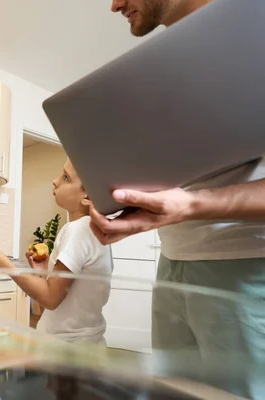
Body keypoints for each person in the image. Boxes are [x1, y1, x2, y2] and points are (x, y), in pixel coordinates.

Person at [88, 0, 265, 396]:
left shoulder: (255, 31)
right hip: (174, 265)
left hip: (244, 272)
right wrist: (138, 207)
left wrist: (192, 206)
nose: (114, 4)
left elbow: (194, 199)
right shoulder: (162, 64)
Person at [0, 159, 113, 345]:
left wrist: (2, 262)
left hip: (65, 352)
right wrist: (43, 273)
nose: (55, 181)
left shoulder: (78, 230)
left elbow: (50, 299)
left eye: (66, 177)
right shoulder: (96, 231)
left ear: (87, 197)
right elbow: (55, 303)